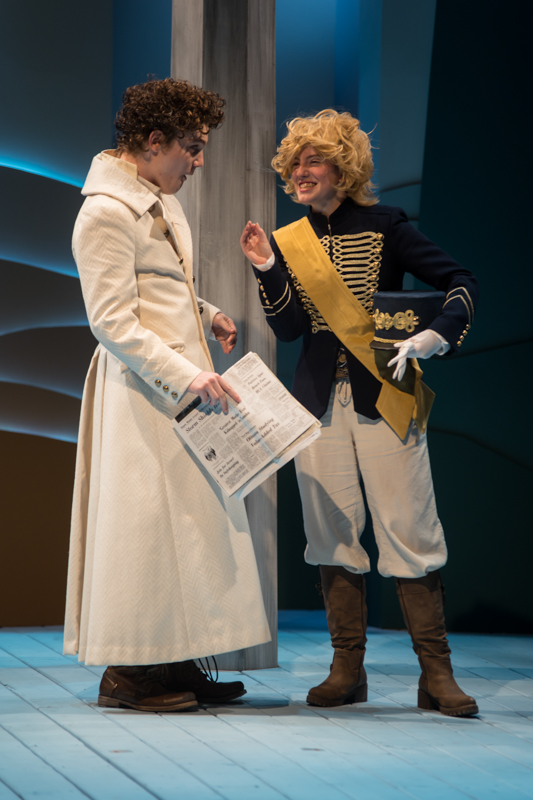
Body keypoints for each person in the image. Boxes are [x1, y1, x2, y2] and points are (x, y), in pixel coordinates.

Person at [240, 109, 479, 717]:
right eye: (295, 163)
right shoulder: (290, 239)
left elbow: (459, 282)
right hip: (318, 404)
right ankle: (347, 669)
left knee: (410, 531)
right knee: (331, 536)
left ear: (342, 169)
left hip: (385, 397)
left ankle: (436, 674)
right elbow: (290, 328)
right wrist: (267, 266)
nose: (301, 172)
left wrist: (435, 336)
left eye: (314, 161)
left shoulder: (385, 225)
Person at [63, 78, 270, 712]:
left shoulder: (161, 199)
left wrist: (206, 313)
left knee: (188, 528)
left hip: (180, 388)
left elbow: (160, 284)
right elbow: (112, 320)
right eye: (192, 148)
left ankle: (176, 661)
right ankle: (128, 675)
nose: (199, 161)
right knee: (146, 531)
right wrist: (186, 374)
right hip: (142, 393)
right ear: (154, 141)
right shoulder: (105, 212)